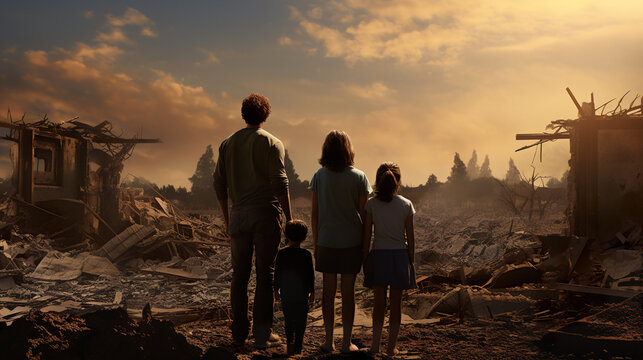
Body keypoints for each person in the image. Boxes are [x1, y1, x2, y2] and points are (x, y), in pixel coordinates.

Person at [213, 93, 292, 349]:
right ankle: (261, 334)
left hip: (239, 215)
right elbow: (280, 184)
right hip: (266, 215)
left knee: (240, 275)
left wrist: (227, 217)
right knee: (265, 276)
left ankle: (238, 333)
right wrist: (290, 219)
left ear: (243, 114)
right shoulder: (272, 143)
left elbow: (219, 184)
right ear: (266, 115)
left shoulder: (227, 144)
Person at [309, 130, 371, 353]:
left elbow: (314, 214)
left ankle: (328, 340)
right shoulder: (359, 177)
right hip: (351, 242)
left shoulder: (318, 176)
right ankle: (346, 342)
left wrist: (316, 243)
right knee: (348, 294)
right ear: (348, 149)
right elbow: (365, 217)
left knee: (328, 292)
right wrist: (366, 246)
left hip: (326, 240)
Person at [362, 162, 416, 356]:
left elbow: (367, 236)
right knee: (395, 305)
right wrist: (411, 260)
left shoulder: (371, 204)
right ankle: (391, 347)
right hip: (400, 256)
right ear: (398, 181)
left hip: (379, 255)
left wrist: (365, 259)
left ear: (377, 181)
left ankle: (375, 345)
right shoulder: (406, 204)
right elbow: (411, 237)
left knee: (378, 304)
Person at [274, 220, 315, 355]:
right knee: (301, 321)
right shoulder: (306, 255)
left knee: (288, 320)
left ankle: (289, 344)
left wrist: (276, 290)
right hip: (302, 294)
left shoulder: (281, 253)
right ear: (304, 237)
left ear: (286, 235)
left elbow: (277, 273)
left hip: (287, 293)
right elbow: (310, 275)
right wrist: (312, 292)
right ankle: (298, 346)